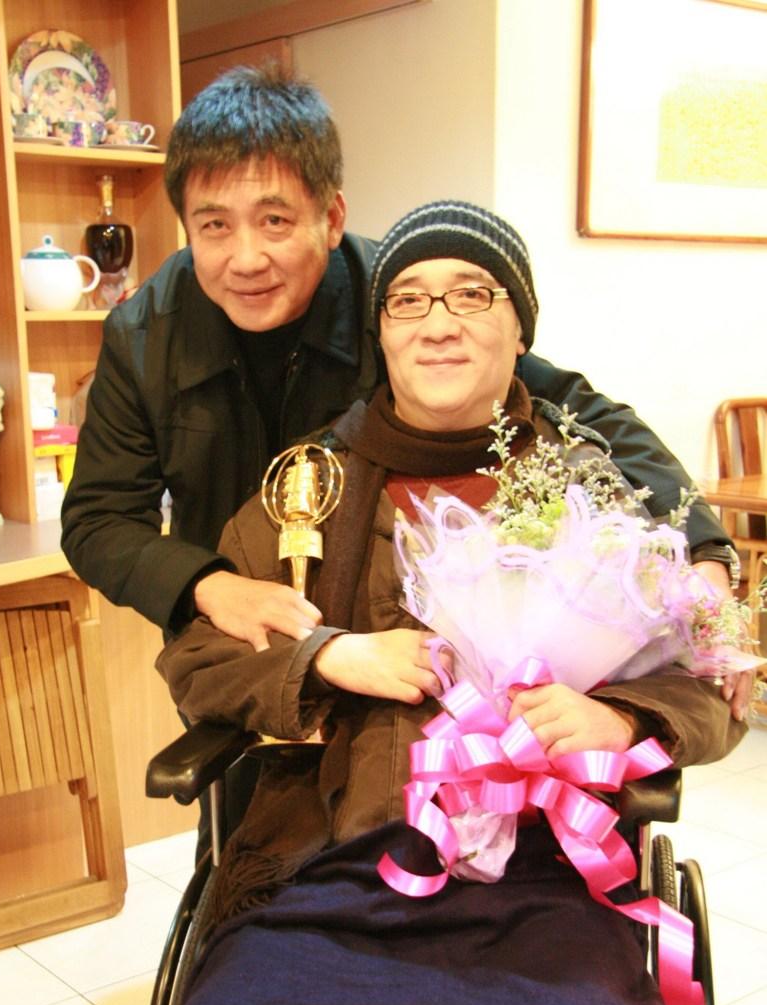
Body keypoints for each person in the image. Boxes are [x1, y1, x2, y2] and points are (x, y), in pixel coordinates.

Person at [91, 200, 744, 1005]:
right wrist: (326, 657)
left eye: (471, 295)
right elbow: (199, 657)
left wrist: (622, 718)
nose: (437, 323)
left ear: (518, 330)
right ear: (382, 335)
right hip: (329, 854)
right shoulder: (305, 489)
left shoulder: (599, 491)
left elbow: (711, 675)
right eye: (407, 300)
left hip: (549, 874)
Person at [60, 64, 741, 674]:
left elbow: (574, 409)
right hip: (236, 647)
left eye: (274, 221)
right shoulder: (144, 335)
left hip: (385, 644)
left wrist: (704, 550)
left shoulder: (398, 300)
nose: (245, 258)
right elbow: (97, 519)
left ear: (331, 217)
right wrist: (209, 585)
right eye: (214, 226)